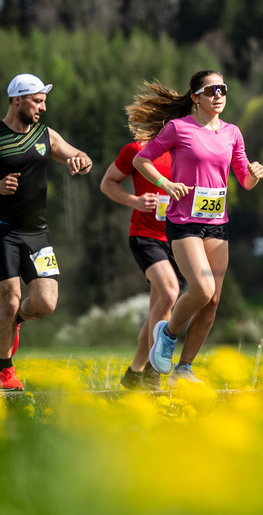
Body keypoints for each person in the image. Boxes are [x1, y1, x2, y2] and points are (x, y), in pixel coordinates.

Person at [0, 73, 93, 391]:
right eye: (37, 101)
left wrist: (80, 162)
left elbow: (81, 156)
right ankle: (5, 372)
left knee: (45, 303)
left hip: (37, 233)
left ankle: (15, 321)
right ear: (17, 100)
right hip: (2, 231)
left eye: (44, 101)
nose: (43, 107)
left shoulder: (46, 135)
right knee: (9, 301)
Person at [130, 70, 263, 383]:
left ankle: (183, 369)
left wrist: (254, 174)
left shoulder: (232, 133)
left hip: (217, 223)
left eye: (222, 89)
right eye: (210, 90)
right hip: (183, 221)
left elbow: (244, 181)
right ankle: (168, 333)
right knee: (202, 290)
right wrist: (165, 183)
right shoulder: (179, 128)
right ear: (195, 98)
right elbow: (141, 161)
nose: (218, 95)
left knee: (213, 300)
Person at [101, 137, 183, 390]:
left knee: (159, 308)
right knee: (169, 294)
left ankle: (134, 372)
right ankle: (152, 371)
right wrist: (134, 201)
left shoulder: (185, 148)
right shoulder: (136, 149)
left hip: (180, 238)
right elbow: (107, 183)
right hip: (146, 236)